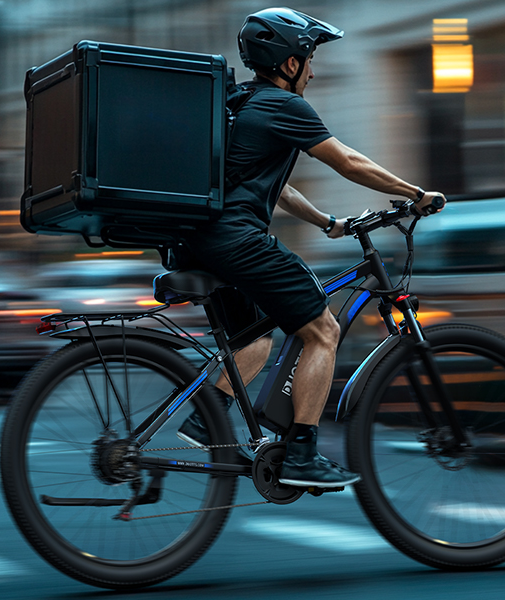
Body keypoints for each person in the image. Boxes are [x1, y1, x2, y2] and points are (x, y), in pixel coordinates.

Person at [173, 7, 444, 487]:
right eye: (309, 57)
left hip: (196, 240)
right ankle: (301, 453)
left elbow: (269, 186)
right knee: (322, 329)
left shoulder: (240, 104)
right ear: (288, 61)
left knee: (255, 336)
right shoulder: (284, 106)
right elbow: (349, 161)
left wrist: (328, 222)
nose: (314, 70)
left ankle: (206, 419)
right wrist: (415, 194)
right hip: (236, 241)